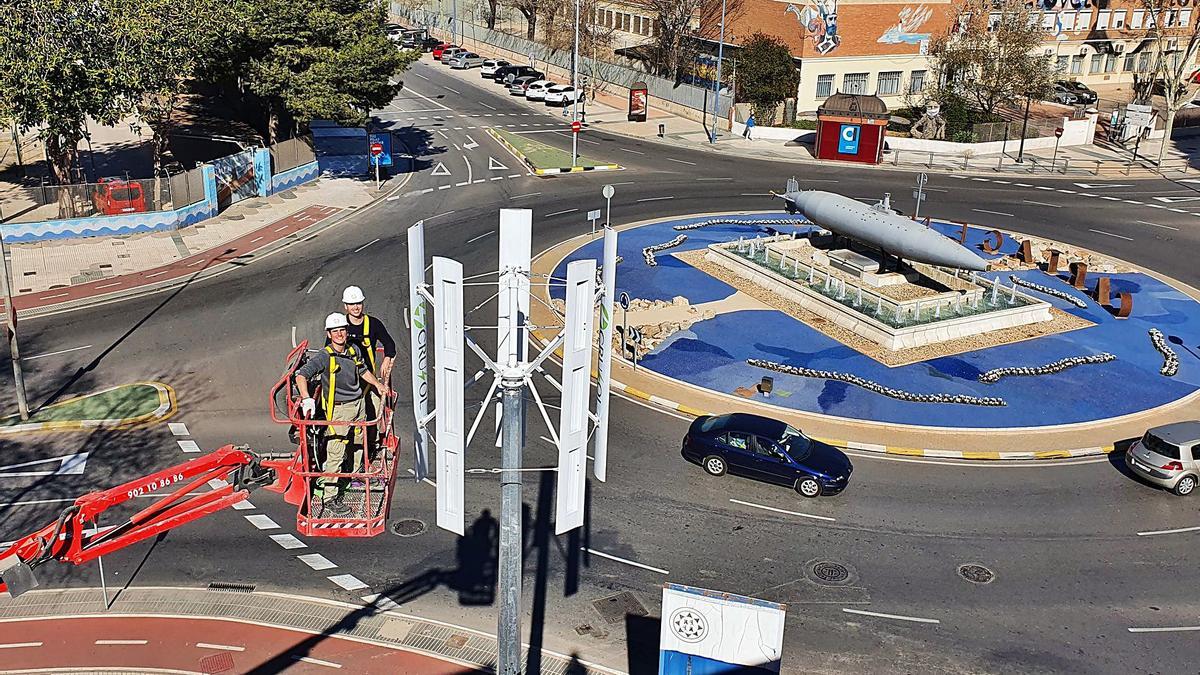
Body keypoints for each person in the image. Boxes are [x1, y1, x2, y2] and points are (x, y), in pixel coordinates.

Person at [296, 312, 390, 516]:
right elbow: (301, 375)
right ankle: (329, 497)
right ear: (329, 334)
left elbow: (363, 370)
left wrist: (378, 385)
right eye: (335, 331)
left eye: (342, 330)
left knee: (358, 442)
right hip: (339, 410)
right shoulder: (325, 356)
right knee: (336, 452)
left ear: (346, 332)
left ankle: (355, 474)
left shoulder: (353, 350)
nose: (339, 334)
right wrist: (306, 398)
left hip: (358, 405)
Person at [340, 285, 397, 455]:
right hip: (347, 381)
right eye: (352, 304)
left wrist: (387, 359)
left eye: (358, 303)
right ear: (346, 307)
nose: (356, 307)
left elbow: (389, 343)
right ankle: (350, 452)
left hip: (368, 379)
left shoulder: (373, 324)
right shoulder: (340, 326)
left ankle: (370, 448)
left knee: (373, 414)